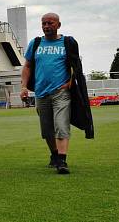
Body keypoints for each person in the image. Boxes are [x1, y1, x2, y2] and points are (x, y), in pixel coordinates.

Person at [19, 13, 94, 174]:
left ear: (58, 25)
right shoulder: (36, 43)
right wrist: (24, 87)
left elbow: (76, 65)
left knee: (61, 124)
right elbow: (27, 66)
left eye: (50, 23)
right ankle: (54, 155)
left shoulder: (68, 43)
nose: (47, 26)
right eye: (44, 23)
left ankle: (62, 160)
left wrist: (71, 80)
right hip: (40, 93)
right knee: (47, 130)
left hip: (61, 92)